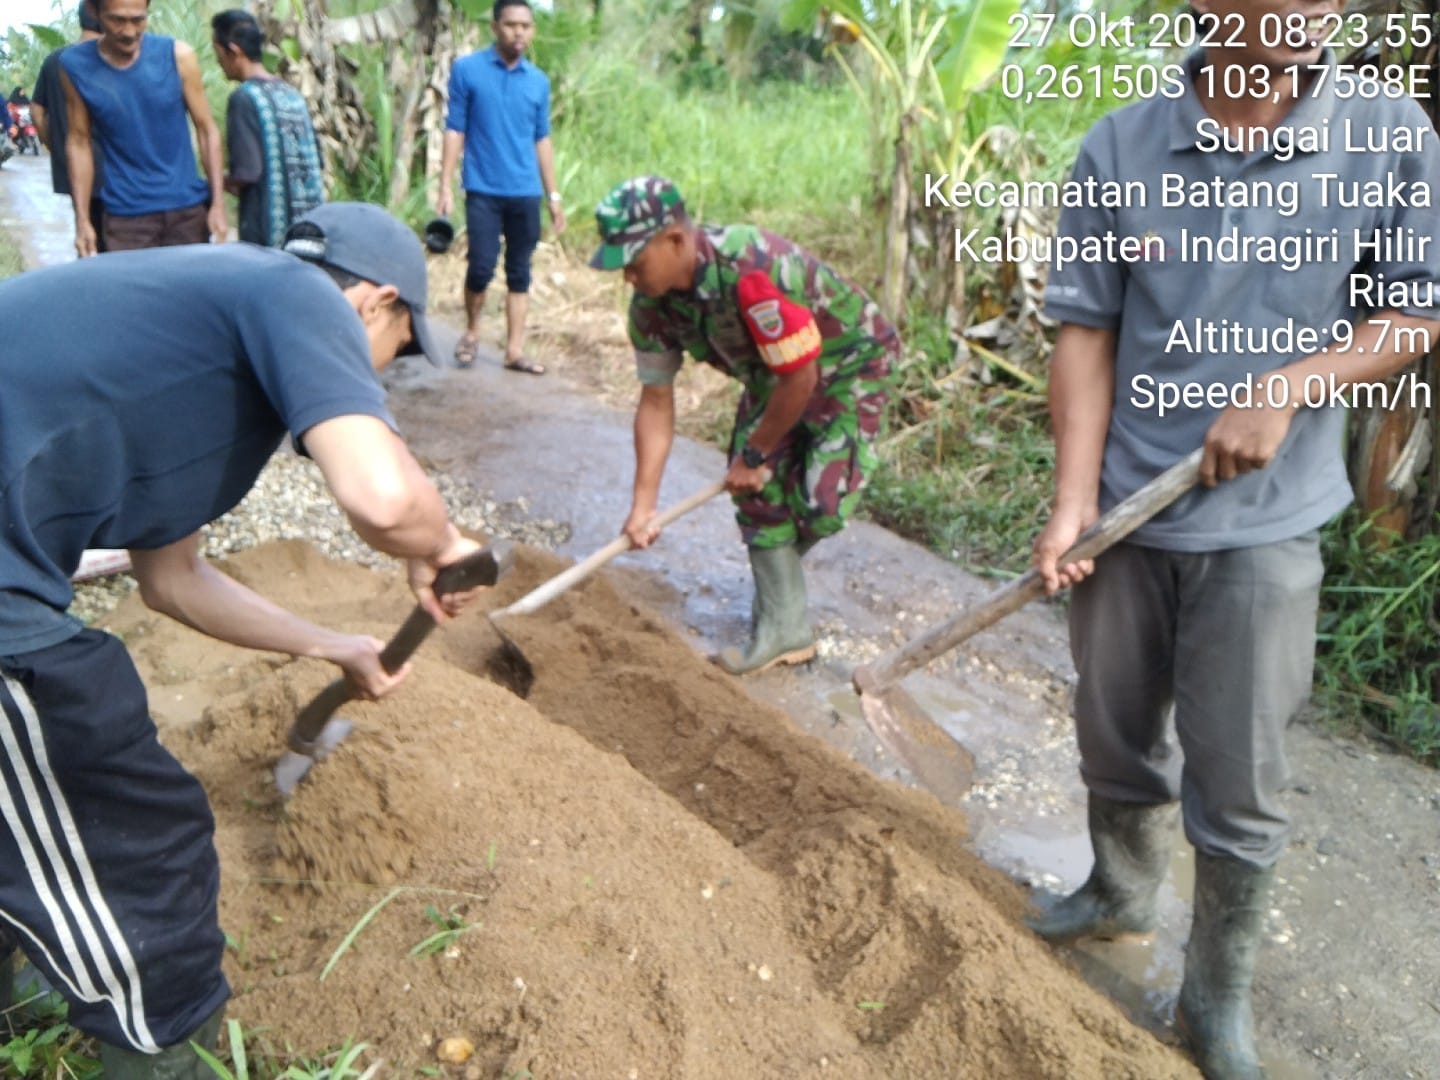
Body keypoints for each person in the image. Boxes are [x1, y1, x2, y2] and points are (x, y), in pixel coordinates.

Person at [1027, 2, 1440, 1077]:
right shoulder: (1122, 145)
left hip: (1264, 527)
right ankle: (1119, 889)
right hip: (1129, 510)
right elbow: (1088, 328)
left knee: (1239, 772)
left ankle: (1215, 996)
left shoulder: (1387, 135)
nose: (1318, 13)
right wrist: (1076, 503)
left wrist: (1295, 385)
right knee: (1112, 728)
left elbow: (1417, 309)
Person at [0, 202, 480, 1078]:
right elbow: (379, 497)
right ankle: (161, 1055)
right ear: (372, 304)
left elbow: (172, 580)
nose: (385, 379)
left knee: (39, 793)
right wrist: (443, 547)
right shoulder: (292, 291)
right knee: (135, 832)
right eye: (400, 352)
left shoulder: (201, 345)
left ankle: (33, 978)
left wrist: (338, 647)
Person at [590, 175, 897, 674]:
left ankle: (779, 594)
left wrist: (755, 452)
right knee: (755, 493)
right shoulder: (650, 308)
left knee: (820, 504)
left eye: (634, 261)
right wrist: (642, 506)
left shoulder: (752, 271)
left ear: (675, 240)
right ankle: (785, 627)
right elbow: (656, 402)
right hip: (771, 374)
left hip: (847, 363)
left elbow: (801, 377)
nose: (628, 276)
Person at [436, 0, 564, 373]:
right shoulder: (468, 70)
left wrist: (553, 195)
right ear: (495, 27)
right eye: (510, 25)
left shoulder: (538, 81)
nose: (518, 32)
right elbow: (455, 128)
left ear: (533, 30)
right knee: (480, 266)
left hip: (525, 191)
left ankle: (514, 350)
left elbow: (542, 139)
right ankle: (472, 332)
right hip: (483, 189)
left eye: (525, 25)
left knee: (520, 271)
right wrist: (445, 184)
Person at [59, 0, 227, 256]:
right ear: (95, 12)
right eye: (117, 20)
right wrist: (82, 220)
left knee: (190, 294)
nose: (128, 32)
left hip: (187, 211)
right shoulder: (74, 66)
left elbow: (207, 130)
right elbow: (78, 142)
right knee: (132, 296)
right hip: (126, 219)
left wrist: (218, 204)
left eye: (138, 20)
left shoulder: (178, 56)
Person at [211, 9, 324, 247]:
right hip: (307, 233)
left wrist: (216, 183)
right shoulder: (292, 95)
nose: (217, 61)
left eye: (218, 53)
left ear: (234, 51)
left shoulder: (244, 98)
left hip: (268, 235)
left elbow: (247, 173)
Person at [30, 2, 108, 254]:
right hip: (112, 167)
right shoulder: (108, 58)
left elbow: (36, 109)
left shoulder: (56, 60)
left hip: (73, 164)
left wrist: (55, 145)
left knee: (84, 229)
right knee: (114, 239)